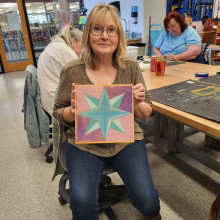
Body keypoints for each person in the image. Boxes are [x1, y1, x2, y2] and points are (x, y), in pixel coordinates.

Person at [53, 3, 161, 220]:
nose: (104, 36)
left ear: (118, 36)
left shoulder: (129, 66)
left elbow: (145, 111)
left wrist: (137, 102)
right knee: (82, 206)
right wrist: (72, 112)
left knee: (148, 202)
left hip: (126, 139)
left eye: (111, 30)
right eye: (97, 29)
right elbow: (57, 111)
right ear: (88, 34)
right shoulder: (72, 70)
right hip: (84, 142)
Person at [37, 25, 82, 116]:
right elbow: (80, 77)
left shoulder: (54, 46)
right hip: (56, 103)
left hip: (48, 97)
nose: (81, 51)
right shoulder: (64, 51)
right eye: (81, 46)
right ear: (73, 40)